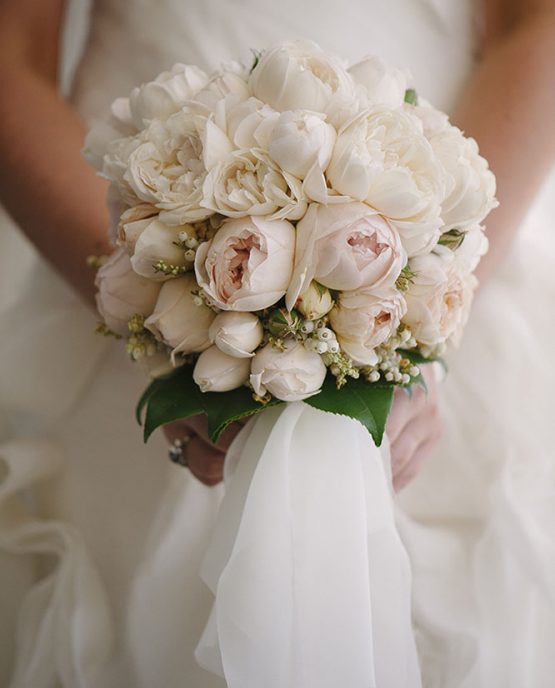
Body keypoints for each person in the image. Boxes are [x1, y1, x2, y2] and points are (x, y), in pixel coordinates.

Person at [0, 0, 553, 686]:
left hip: (449, 201)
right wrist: (151, 305)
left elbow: (536, 28)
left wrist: (424, 309)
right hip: (123, 215)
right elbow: (10, 59)